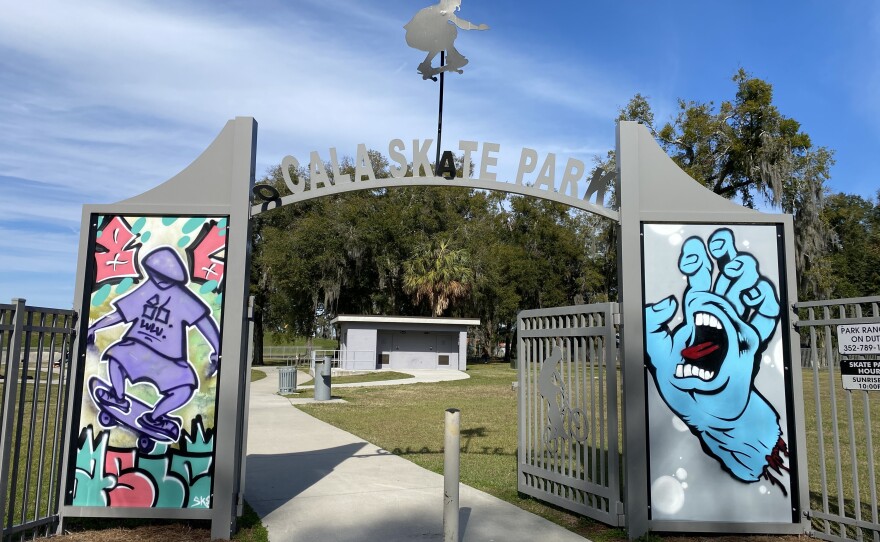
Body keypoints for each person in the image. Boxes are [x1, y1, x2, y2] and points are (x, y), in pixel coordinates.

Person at [87, 246, 220, 440]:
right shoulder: (147, 289)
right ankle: (118, 396)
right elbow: (120, 315)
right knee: (116, 356)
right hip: (137, 347)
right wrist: (94, 327)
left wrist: (217, 349)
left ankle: (155, 417)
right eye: (154, 274)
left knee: (185, 388)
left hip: (170, 359)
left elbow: (204, 323)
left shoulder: (183, 298)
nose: (156, 280)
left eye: (161, 276)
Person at [404, 0, 489, 79]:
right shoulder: (432, 11)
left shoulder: (444, 13)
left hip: (423, 36)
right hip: (415, 36)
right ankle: (452, 57)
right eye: (455, 6)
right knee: (448, 31)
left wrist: (477, 27)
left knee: (444, 36)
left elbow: (461, 23)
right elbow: (416, 26)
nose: (454, 9)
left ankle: (426, 64)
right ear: (448, 3)